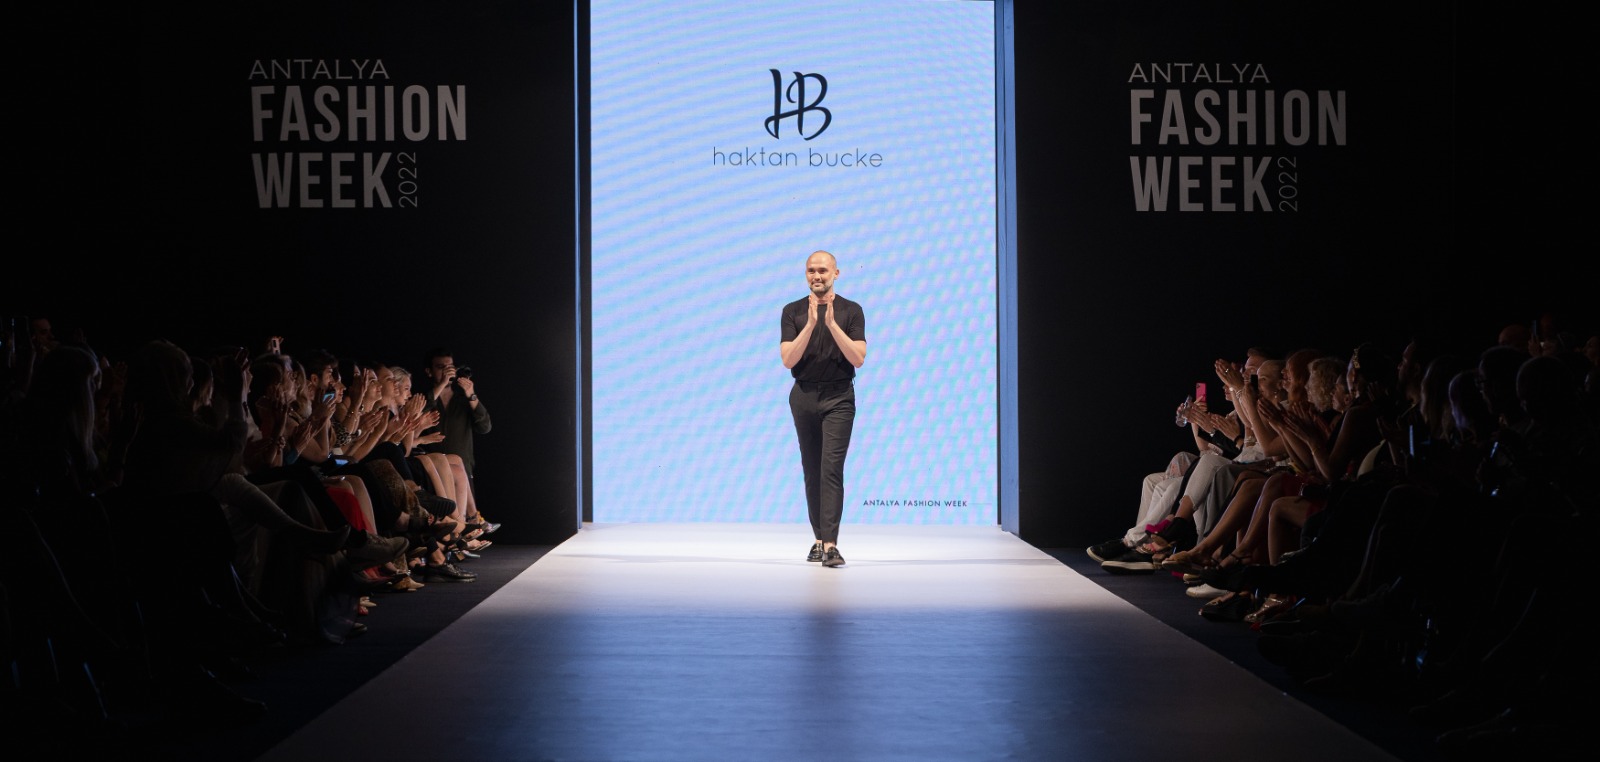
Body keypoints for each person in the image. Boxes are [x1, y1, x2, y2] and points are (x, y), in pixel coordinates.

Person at [780, 250, 866, 568]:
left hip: (839, 397)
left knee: (831, 468)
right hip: (803, 396)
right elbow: (788, 359)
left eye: (823, 271)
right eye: (811, 271)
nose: (817, 276)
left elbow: (858, 357)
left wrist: (830, 324)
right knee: (812, 469)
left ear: (836, 274)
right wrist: (811, 324)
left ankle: (831, 544)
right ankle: (818, 540)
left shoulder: (851, 310)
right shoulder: (792, 311)